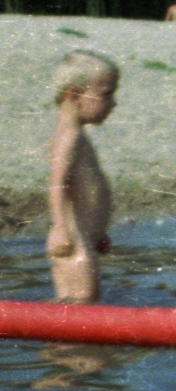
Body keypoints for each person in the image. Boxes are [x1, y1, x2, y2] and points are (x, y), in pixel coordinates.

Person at [47, 52, 119, 303]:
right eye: (106, 94)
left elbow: (84, 191)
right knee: (81, 307)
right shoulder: (69, 136)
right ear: (74, 94)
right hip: (73, 242)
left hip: (82, 239)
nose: (114, 103)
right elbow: (58, 184)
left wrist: (97, 231)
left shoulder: (74, 134)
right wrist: (59, 229)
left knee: (75, 307)